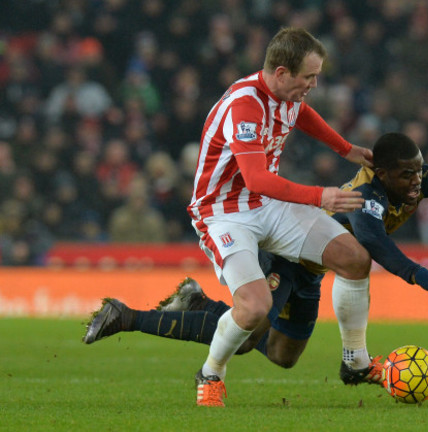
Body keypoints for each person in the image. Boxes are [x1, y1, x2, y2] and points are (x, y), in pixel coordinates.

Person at [83, 132, 428, 394]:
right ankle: (127, 316)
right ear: (382, 173)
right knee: (251, 335)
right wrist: (425, 278)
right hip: (291, 257)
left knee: (282, 356)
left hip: (315, 275)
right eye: (407, 174)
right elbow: (376, 247)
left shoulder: (418, 179)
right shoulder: (365, 197)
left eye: (420, 171)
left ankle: (201, 304)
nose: (417, 182)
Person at [84, 27, 374, 407]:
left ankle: (356, 361)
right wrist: (323, 196)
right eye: (309, 76)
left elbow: (300, 114)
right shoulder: (246, 104)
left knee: (355, 259)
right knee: (254, 309)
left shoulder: (286, 95)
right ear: (282, 73)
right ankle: (211, 374)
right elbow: (256, 178)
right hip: (223, 213)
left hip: (265, 204)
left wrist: (346, 148)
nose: (314, 84)